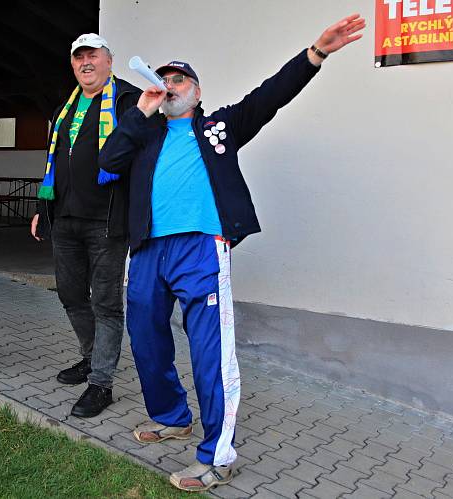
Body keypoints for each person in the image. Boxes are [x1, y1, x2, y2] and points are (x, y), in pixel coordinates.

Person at [98, 14, 366, 492]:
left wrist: (316, 53)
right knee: (144, 337)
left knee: (210, 354)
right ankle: (171, 416)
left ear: (197, 92)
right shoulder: (144, 133)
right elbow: (108, 162)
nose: (170, 85)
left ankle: (217, 454)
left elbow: (271, 95)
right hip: (146, 251)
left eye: (180, 79)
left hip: (201, 248)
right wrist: (141, 112)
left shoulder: (220, 126)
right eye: (164, 80)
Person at [29, 34, 143, 418]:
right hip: (64, 218)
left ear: (109, 61)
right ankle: (91, 357)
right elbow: (55, 157)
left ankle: (102, 384)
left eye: (93, 55)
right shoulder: (68, 106)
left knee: (106, 303)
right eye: (79, 57)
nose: (86, 63)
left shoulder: (129, 100)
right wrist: (42, 206)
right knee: (70, 294)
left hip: (107, 222)